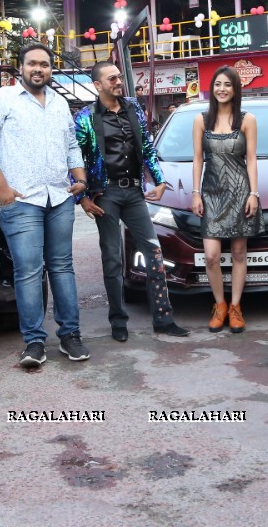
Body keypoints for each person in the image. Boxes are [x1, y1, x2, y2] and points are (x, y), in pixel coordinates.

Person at [0, 43, 90, 368]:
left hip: (59, 197)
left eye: (44, 64)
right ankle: (34, 343)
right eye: (32, 64)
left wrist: (79, 178)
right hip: (21, 200)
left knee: (63, 267)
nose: (38, 69)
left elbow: (71, 143)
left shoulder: (59, 102)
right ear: (20, 67)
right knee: (28, 271)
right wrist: (3, 189)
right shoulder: (0, 100)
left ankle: (71, 336)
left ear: (51, 69)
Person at [75, 61, 189, 341]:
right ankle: (118, 322)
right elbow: (73, 159)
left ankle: (163, 319)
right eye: (111, 78)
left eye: (118, 77)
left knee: (154, 253)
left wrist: (160, 181)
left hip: (135, 193)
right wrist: (82, 198)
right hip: (106, 195)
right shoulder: (85, 117)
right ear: (98, 85)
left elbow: (148, 147)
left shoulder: (133, 108)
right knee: (112, 259)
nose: (118, 81)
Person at [191, 66, 261, 333]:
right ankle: (219, 305)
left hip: (240, 191)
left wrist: (254, 193)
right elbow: (198, 158)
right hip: (210, 193)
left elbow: (251, 159)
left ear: (235, 89)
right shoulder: (201, 119)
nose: (222, 89)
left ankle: (235, 307)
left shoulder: (246, 119)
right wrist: (196, 192)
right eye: (218, 84)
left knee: (239, 253)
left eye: (227, 85)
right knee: (211, 256)